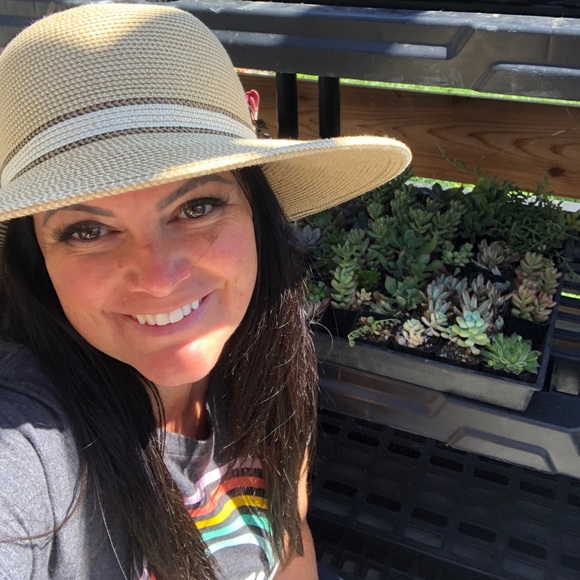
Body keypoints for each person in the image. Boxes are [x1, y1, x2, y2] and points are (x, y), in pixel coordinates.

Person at [0, 3, 411, 579]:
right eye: (87, 230)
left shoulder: (263, 366)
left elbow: (290, 542)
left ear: (257, 214)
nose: (158, 277)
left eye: (196, 207)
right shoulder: (24, 446)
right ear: (37, 259)